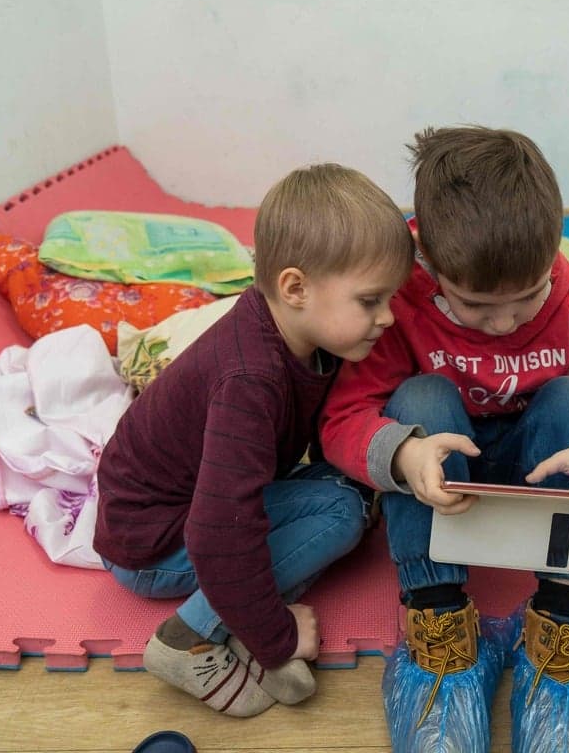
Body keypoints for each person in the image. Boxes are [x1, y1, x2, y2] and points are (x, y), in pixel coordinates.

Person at [320, 126, 569, 752]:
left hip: (541, 474)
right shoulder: (402, 294)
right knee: (417, 400)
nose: (504, 323)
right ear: (429, 263)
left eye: (526, 299)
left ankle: (561, 632)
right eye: (478, 306)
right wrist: (404, 454)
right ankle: (440, 636)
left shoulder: (563, 289)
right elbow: (343, 419)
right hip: (448, 479)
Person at [94, 163, 414, 717]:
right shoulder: (249, 381)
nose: (387, 317)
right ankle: (187, 639)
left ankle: (244, 614)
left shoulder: (299, 333)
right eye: (370, 301)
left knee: (355, 490)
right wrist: (277, 639)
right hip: (153, 543)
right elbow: (219, 532)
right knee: (341, 512)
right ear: (295, 288)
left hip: (190, 509)